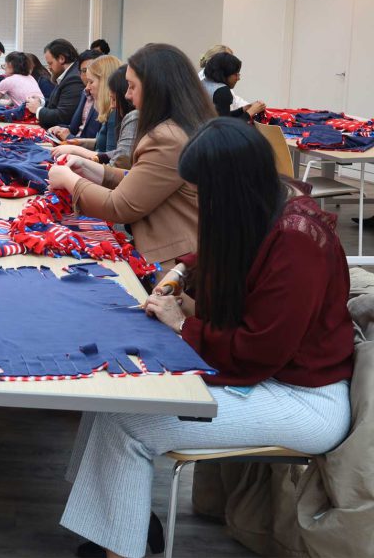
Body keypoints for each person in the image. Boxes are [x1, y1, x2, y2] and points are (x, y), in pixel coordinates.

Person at [60, 117, 353, 558]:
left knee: (128, 419)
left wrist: (181, 324)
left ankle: (121, 544)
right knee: (111, 392)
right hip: (276, 376)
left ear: (232, 186)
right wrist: (180, 271)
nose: (203, 201)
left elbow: (257, 353)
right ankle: (125, 527)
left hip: (306, 400)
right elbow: (219, 248)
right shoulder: (265, 207)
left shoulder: (299, 242)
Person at [46, 43, 214, 275]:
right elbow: (142, 180)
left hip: (172, 261)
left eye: (132, 87)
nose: (127, 95)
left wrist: (69, 181)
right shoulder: (182, 127)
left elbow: (121, 206)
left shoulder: (168, 137)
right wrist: (92, 169)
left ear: (157, 88)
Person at [53, 64, 137, 170]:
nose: (87, 87)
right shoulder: (113, 111)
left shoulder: (127, 116)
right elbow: (112, 152)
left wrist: (75, 150)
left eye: (91, 81)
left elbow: (115, 163)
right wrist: (77, 142)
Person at [26, 38, 84, 129]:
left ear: (61, 58)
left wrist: (38, 109)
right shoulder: (66, 74)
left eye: (50, 63)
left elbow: (64, 115)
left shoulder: (74, 78)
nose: (49, 67)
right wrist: (41, 102)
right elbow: (58, 102)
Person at [47, 49, 103, 141]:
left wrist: (69, 137)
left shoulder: (107, 99)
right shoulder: (85, 93)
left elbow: (96, 142)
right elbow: (75, 127)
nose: (89, 74)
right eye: (84, 71)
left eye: (92, 70)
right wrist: (59, 128)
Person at [202, 52, 266, 118]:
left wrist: (242, 110)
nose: (238, 78)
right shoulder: (221, 91)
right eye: (236, 74)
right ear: (224, 73)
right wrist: (251, 112)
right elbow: (226, 126)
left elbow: (223, 115)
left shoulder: (204, 82)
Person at [198, 44, 250, 109]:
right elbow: (224, 116)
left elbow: (235, 100)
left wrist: (249, 107)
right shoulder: (205, 84)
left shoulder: (218, 82)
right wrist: (248, 113)